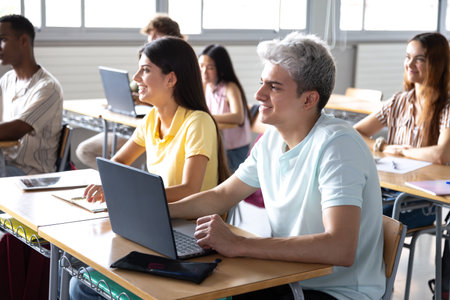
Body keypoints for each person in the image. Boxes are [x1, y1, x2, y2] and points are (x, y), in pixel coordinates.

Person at [169, 32, 385, 299]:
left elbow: (340, 248)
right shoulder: (272, 139)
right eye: (262, 83)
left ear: (309, 99)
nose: (259, 94)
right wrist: (163, 211)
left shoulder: (338, 146)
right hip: (287, 278)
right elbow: (222, 195)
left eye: (274, 87)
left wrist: (240, 244)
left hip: (335, 292)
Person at [69, 37, 230, 299]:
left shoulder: (197, 122)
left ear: (171, 79)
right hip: (161, 225)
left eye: (145, 70)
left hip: (190, 233)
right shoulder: (151, 118)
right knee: (80, 284)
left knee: (83, 288)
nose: (136, 77)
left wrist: (135, 197)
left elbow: (190, 188)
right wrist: (107, 185)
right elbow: (118, 163)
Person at [354, 32, 450, 229]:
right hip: (388, 190)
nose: (410, 64)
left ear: (437, 63)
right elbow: (357, 132)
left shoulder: (446, 107)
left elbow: (441, 154)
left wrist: (402, 151)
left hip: (420, 201)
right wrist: (385, 147)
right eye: (408, 57)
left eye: (419, 59)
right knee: (345, 212)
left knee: (367, 222)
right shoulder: (399, 101)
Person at [75, 14, 184, 169]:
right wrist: (125, 96)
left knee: (88, 151)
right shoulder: (150, 119)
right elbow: (133, 87)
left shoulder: (181, 68)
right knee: (87, 151)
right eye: (149, 35)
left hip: (154, 128)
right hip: (137, 125)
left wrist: (142, 100)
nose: (151, 39)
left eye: (156, 35)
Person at [0, 14, 63, 176]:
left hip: (30, 174)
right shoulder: (7, 79)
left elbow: (16, 129)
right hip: (5, 163)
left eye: (3, 39)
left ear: (23, 41)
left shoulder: (48, 88)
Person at [199, 44, 252, 172]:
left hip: (235, 148)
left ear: (221, 68)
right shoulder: (208, 87)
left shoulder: (230, 87)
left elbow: (238, 117)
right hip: (221, 145)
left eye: (210, 67)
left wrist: (207, 117)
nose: (204, 71)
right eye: (201, 66)